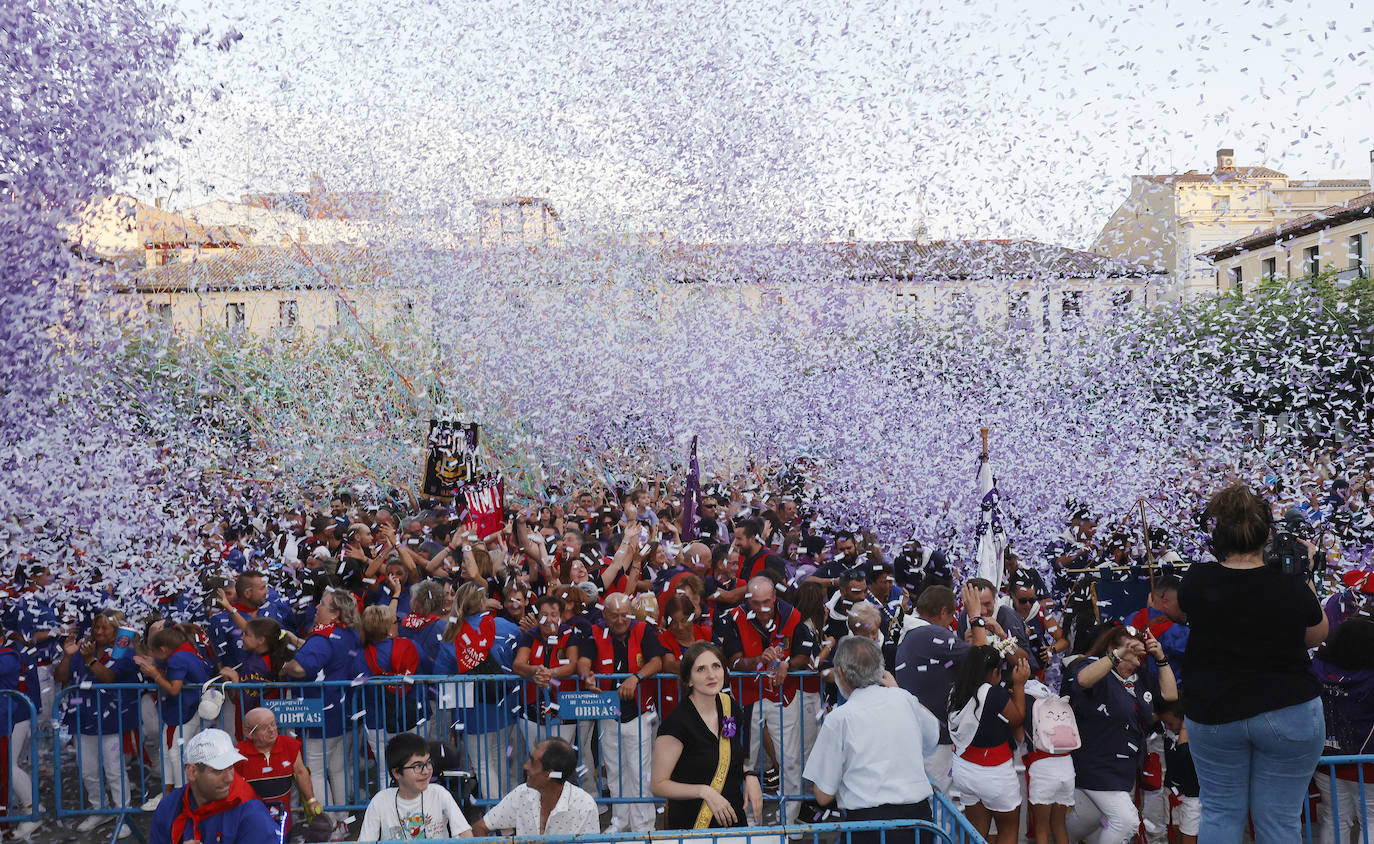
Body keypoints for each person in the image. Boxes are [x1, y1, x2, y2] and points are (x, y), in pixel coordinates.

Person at [1177, 483, 1327, 844]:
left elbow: (1187, 615)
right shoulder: (1288, 583)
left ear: (1218, 534)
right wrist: (1302, 573)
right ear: (1268, 534)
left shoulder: (1196, 580)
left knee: (1220, 813)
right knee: (1278, 821)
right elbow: (1316, 634)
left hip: (1213, 712)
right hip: (1288, 709)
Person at [803, 636, 942, 844]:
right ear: (880, 669)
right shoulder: (903, 698)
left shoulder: (839, 718)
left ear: (840, 673)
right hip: (918, 821)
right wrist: (899, 691)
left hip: (868, 826)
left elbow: (823, 795)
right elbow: (934, 733)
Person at [715, 575, 817, 829]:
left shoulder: (792, 615)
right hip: (746, 699)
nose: (762, 608)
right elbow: (734, 661)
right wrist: (759, 660)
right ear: (748, 599)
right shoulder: (733, 618)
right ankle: (749, 823)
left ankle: (789, 823)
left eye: (767, 602)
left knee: (790, 761)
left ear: (774, 598)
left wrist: (788, 664)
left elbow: (806, 651)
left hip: (784, 697)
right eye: (756, 603)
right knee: (744, 762)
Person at [1063, 625, 1175, 844]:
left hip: (1123, 767)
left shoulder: (1139, 675)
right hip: (1094, 763)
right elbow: (1083, 680)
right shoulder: (1090, 666)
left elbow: (1169, 695)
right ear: (1111, 649)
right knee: (1126, 821)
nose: (1135, 662)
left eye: (1139, 657)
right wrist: (1116, 656)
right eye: (1131, 656)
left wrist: (1160, 657)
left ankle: (1056, 839)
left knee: (1087, 819)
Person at [651, 642, 764, 829]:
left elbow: (733, 753)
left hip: (732, 819)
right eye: (701, 669)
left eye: (716, 666)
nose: (711, 675)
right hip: (692, 825)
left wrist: (750, 775)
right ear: (689, 680)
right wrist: (705, 792)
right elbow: (658, 784)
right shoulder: (676, 723)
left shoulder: (730, 706)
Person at [581, 591, 665, 833]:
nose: (620, 620)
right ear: (604, 615)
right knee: (615, 772)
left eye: (624, 615)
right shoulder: (595, 631)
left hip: (638, 713)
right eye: (614, 616)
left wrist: (636, 678)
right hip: (608, 712)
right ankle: (620, 820)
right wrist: (587, 675)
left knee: (640, 772)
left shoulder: (642, 629)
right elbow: (585, 659)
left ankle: (643, 825)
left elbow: (657, 661)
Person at [893, 584, 991, 794]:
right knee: (938, 805)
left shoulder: (913, 633)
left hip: (921, 734)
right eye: (952, 614)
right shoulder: (930, 633)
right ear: (944, 612)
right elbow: (985, 659)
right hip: (934, 741)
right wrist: (975, 617)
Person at [55, 610, 140, 839]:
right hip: (82, 718)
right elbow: (60, 677)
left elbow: (109, 678)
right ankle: (99, 808)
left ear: (116, 632)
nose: (98, 631)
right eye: (96, 627)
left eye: (105, 628)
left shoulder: (125, 653)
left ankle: (122, 813)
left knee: (114, 769)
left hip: (112, 722)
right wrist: (67, 656)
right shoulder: (83, 647)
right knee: (88, 769)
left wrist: (88, 659)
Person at [281, 587, 363, 821]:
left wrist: (284, 666)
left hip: (321, 711)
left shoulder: (323, 635)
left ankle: (325, 828)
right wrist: (299, 642)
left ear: (336, 613)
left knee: (315, 771)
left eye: (323, 604)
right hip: (344, 708)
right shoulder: (350, 632)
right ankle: (342, 824)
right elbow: (328, 656)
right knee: (337, 769)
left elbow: (301, 668)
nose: (317, 607)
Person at [435, 581, 522, 801]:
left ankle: (498, 816)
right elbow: (520, 658)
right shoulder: (504, 625)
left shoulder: (451, 635)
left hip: (471, 710)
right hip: (504, 705)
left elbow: (439, 677)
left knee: (483, 764)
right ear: (483, 602)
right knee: (499, 759)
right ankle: (505, 814)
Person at [947, 645, 1031, 844]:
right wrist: (1019, 685)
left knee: (976, 833)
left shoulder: (956, 690)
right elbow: (1017, 718)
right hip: (994, 774)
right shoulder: (993, 694)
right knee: (1008, 830)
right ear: (994, 671)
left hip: (964, 770)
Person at [147, 728, 277, 844]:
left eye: (231, 767)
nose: (229, 778)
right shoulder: (170, 806)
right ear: (192, 772)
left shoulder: (251, 814)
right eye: (218, 770)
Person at [1310, 616, 1374, 844]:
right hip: (1367, 761)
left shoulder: (1316, 669)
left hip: (1326, 757)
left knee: (1335, 819)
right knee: (1371, 820)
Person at [135, 625, 213, 802]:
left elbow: (174, 688)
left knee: (175, 752)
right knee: (168, 750)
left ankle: (182, 795)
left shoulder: (178, 658)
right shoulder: (186, 651)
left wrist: (155, 674)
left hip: (184, 709)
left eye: (155, 653)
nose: (155, 658)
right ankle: (170, 792)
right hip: (188, 708)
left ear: (163, 649)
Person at [471, 737, 602, 836]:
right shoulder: (522, 794)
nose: (525, 766)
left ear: (550, 773)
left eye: (533, 762)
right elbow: (480, 827)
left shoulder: (584, 806)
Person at [357, 732, 472, 841]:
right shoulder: (380, 802)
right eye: (417, 766)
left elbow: (466, 834)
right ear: (396, 773)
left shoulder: (439, 794)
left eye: (428, 763)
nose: (426, 771)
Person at [234, 707, 318, 837]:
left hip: (283, 824)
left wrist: (312, 801)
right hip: (252, 827)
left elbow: (301, 773)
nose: (272, 730)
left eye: (273, 724)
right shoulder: (238, 755)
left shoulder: (290, 745)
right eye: (264, 727)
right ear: (249, 733)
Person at [1155, 701, 1199, 844]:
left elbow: (1183, 753)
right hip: (1172, 790)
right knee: (1173, 832)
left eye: (1170, 723)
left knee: (1189, 833)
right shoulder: (1169, 731)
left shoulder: (1194, 736)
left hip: (1191, 796)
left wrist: (1185, 727)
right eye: (1164, 723)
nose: (1166, 727)